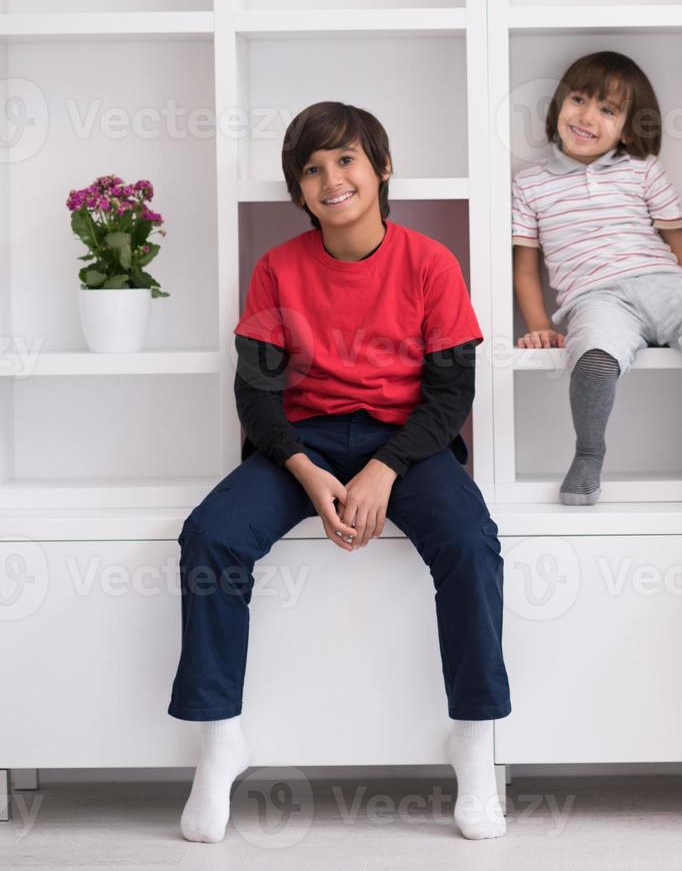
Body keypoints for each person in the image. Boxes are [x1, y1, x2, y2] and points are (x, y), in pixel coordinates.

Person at [167, 101, 510, 843]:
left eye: (346, 159)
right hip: (301, 440)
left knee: (470, 542)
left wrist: (384, 469)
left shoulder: (430, 264)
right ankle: (220, 738)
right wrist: (306, 471)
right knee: (211, 537)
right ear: (298, 191)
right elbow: (253, 393)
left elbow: (453, 392)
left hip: (407, 442)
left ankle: (475, 742)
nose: (331, 179)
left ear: (382, 169)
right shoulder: (277, 269)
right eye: (312, 169)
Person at [511, 51, 682, 506]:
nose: (585, 116)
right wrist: (539, 325)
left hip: (665, 282)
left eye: (607, 109)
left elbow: (679, 242)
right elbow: (525, 265)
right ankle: (589, 453)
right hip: (595, 297)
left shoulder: (642, 171)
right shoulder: (530, 184)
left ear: (628, 126)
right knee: (593, 355)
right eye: (578, 99)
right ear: (558, 105)